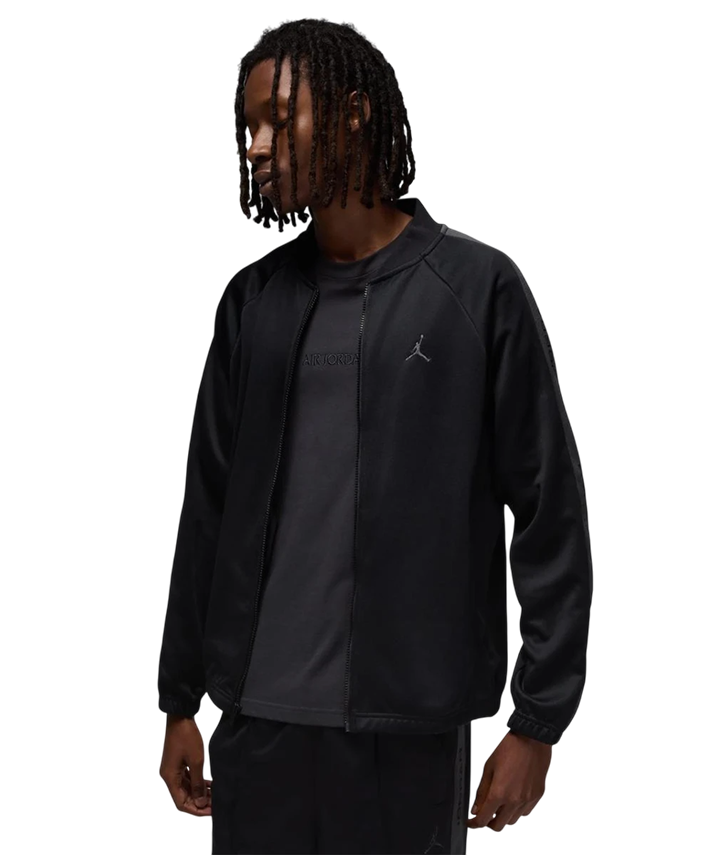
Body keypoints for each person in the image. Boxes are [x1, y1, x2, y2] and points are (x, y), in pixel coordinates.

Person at [157, 18, 593, 855]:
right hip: (258, 726)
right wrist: (180, 699)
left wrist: (537, 721)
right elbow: (206, 510)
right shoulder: (252, 303)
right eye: (248, 127)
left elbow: (550, 511)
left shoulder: (476, 290)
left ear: (354, 114)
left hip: (407, 732)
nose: (256, 146)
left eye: (278, 120)